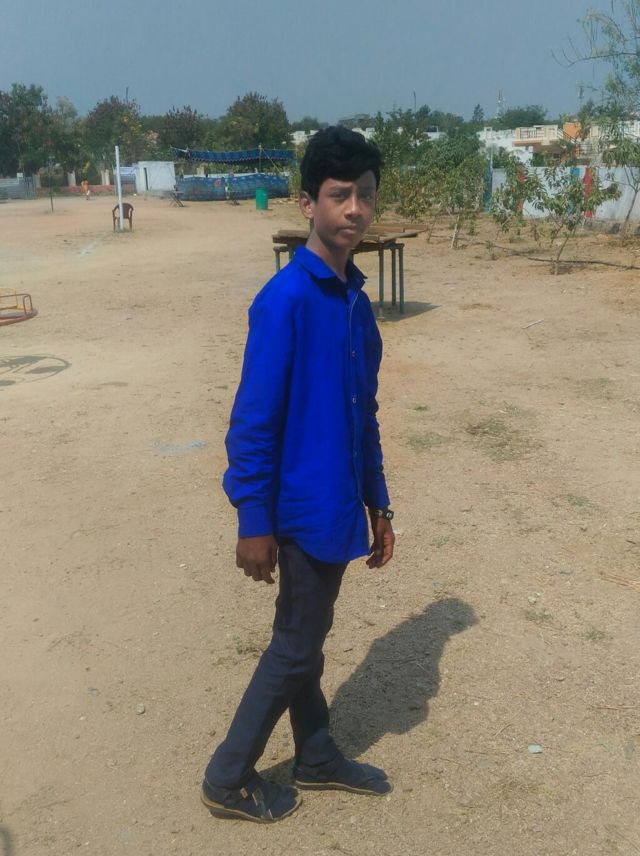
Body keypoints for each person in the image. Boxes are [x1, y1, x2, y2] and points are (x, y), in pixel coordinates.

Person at [201, 126, 395, 824]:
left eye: (365, 195)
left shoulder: (353, 302)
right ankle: (227, 777)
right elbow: (252, 424)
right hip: (301, 512)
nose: (354, 209)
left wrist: (379, 504)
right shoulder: (285, 300)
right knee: (295, 644)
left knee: (303, 635)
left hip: (338, 505)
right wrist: (253, 521)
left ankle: (315, 755)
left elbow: (363, 413)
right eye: (340, 195)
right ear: (308, 202)